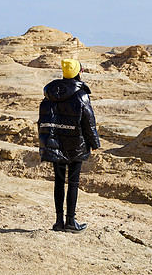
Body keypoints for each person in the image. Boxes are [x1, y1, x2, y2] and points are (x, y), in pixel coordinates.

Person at [38, 59, 101, 233]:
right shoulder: (81, 95)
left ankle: (59, 222)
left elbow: (43, 119)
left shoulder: (49, 93)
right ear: (79, 72)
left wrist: (45, 142)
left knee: (59, 182)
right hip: (76, 144)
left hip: (55, 143)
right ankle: (71, 222)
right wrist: (94, 143)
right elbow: (89, 122)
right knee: (73, 182)